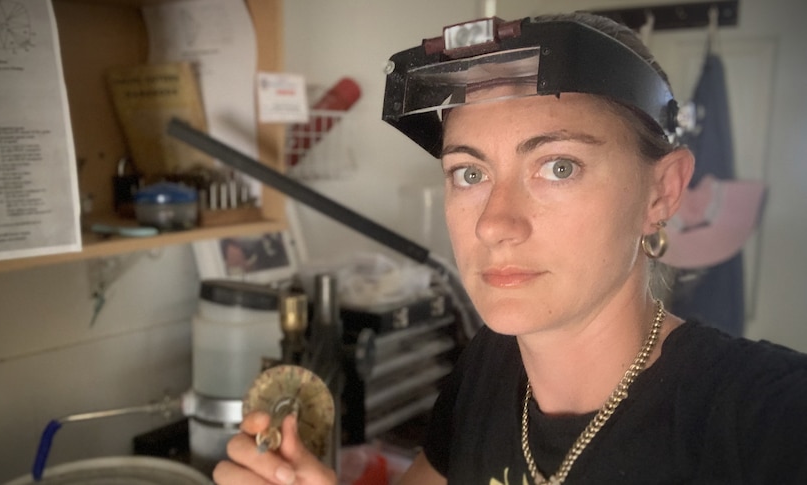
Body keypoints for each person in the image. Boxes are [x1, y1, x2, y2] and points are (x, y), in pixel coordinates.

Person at [212, 12, 807, 485]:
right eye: (469, 174)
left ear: (663, 191)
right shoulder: (489, 370)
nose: (496, 223)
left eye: (559, 166)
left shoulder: (764, 422)